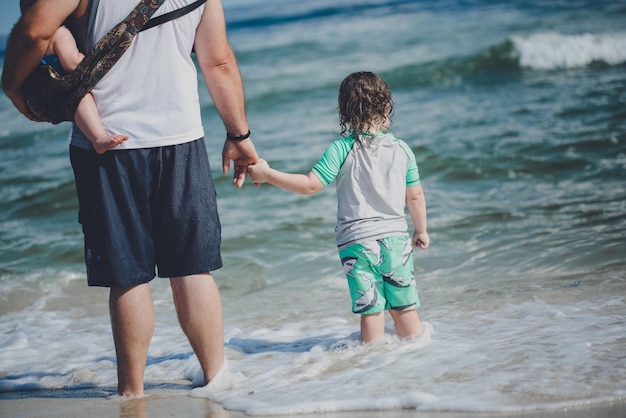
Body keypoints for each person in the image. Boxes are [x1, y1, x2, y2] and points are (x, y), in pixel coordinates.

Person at [2, 0, 259, 397]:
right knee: (192, 267)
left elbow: (36, 30)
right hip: (181, 137)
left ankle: (132, 392)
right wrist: (239, 135)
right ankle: (217, 378)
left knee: (127, 275)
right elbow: (218, 61)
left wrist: (12, 84)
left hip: (106, 143)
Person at [248, 71, 430, 343]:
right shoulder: (402, 150)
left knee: (371, 309)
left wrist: (267, 174)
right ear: (387, 106)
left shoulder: (341, 149)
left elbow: (310, 185)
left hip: (356, 243)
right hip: (395, 239)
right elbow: (414, 196)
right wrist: (421, 230)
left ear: (344, 113)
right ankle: (419, 355)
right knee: (403, 305)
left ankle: (370, 363)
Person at [19, 0, 128, 154]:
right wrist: (84, 58)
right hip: (62, 85)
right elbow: (72, 63)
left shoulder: (25, 41)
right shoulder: (59, 33)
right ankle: (98, 138)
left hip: (41, 91)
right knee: (82, 99)